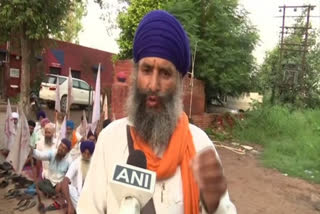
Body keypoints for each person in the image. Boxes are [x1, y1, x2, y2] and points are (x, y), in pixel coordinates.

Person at [78, 10, 236, 214]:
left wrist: (219, 209)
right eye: (146, 70)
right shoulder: (110, 141)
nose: (153, 85)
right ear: (136, 74)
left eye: (165, 73)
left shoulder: (200, 146)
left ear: (181, 80)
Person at [56, 141, 95, 214]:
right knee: (66, 186)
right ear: (81, 151)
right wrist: (69, 204)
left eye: (88, 154)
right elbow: (65, 181)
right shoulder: (76, 163)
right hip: (78, 195)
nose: (86, 156)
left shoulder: (95, 163)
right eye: (84, 153)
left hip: (91, 195)